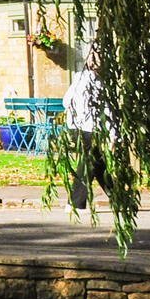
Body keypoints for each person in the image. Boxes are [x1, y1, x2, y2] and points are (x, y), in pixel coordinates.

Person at [63, 55, 108, 212]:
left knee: (98, 163)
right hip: (89, 128)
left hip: (79, 127)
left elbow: (65, 101)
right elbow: (107, 109)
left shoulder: (80, 78)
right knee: (89, 163)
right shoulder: (95, 81)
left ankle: (118, 198)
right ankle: (75, 202)